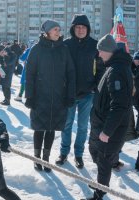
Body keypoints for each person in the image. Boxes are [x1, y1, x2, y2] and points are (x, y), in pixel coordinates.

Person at [81, 34, 133, 200]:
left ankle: (98, 196)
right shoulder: (113, 66)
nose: (99, 55)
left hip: (110, 129)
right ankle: (100, 184)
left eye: (101, 52)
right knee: (96, 154)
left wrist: (107, 131)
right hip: (102, 124)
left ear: (108, 51)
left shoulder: (117, 71)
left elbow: (119, 106)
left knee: (104, 161)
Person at [25, 20, 76, 172]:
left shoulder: (64, 49)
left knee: (51, 128)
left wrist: (69, 95)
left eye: (59, 29)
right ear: (47, 32)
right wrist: (30, 96)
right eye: (55, 29)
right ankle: (36, 158)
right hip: (40, 97)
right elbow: (30, 74)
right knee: (39, 128)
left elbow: (70, 73)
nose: (58, 32)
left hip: (58, 97)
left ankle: (46, 160)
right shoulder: (37, 49)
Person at [56, 14, 104, 169]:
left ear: (88, 29)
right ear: (73, 28)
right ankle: (64, 153)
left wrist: (95, 86)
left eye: (83, 27)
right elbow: (58, 67)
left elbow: (101, 68)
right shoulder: (65, 45)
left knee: (83, 126)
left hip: (87, 94)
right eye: (78, 27)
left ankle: (78, 154)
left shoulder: (94, 45)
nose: (81, 30)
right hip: (68, 93)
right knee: (67, 124)